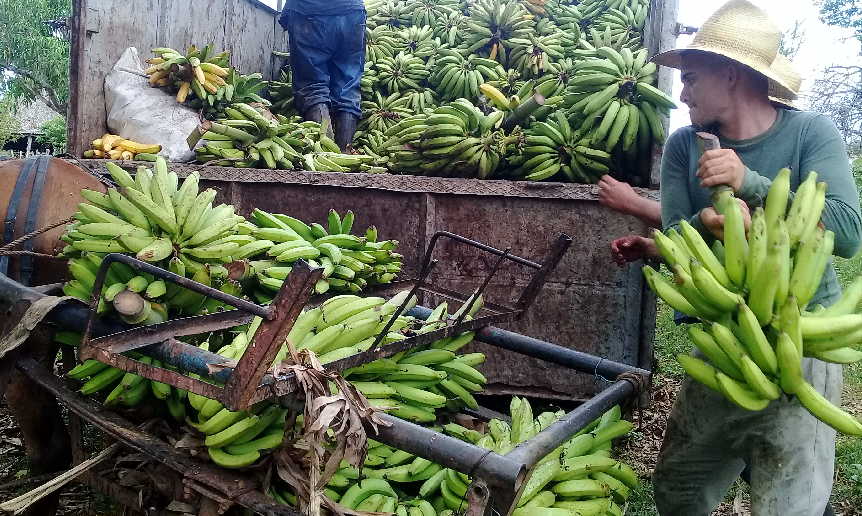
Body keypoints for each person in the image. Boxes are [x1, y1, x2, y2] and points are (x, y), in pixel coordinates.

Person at [603, 1, 861, 514]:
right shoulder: (684, 146)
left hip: (800, 332)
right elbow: (678, 234)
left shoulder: (811, 133)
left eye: (692, 77)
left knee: (789, 498)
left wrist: (754, 186)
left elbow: (849, 232)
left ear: (731, 74)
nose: (682, 91)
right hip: (724, 329)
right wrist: (708, 227)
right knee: (679, 487)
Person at [279, 0, 365, 151]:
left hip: (309, 12)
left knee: (312, 86)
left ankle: (326, 153)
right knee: (348, 86)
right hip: (352, 13)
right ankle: (344, 152)